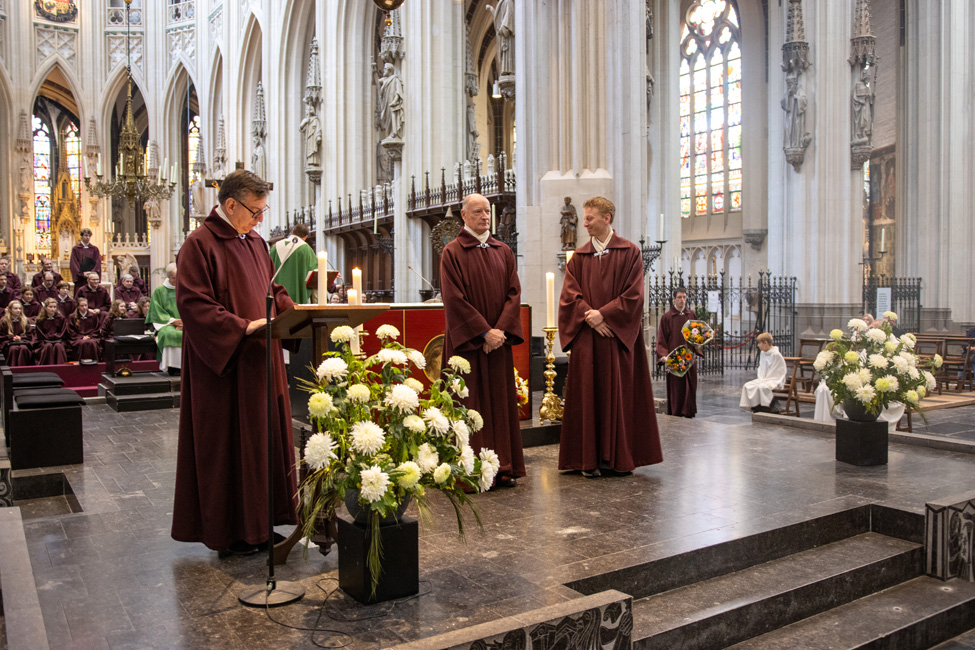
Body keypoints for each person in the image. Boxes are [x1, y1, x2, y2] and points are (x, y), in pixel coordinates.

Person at [172, 169, 298, 555]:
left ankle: (259, 526)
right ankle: (230, 533)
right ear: (230, 205)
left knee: (260, 446)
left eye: (263, 211)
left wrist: (291, 309)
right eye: (255, 211)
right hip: (224, 369)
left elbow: (271, 288)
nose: (260, 219)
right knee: (228, 449)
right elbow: (193, 303)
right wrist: (241, 328)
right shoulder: (199, 244)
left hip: (260, 362)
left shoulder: (256, 242)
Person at [558, 196, 663, 477]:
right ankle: (587, 460)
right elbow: (569, 297)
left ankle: (617, 459)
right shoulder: (579, 257)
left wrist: (603, 314)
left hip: (616, 339)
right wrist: (589, 316)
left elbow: (634, 295)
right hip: (588, 339)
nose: (585, 223)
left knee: (617, 394)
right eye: (585, 218)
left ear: (607, 218)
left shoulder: (630, 253)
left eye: (590, 218)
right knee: (588, 396)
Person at [440, 193, 525, 487]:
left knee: (499, 405)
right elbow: (454, 299)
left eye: (487, 211)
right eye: (477, 212)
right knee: (470, 404)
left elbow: (514, 293)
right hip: (469, 346)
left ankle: (503, 467)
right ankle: (470, 471)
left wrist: (499, 331)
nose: (485, 216)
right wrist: (483, 332)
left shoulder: (504, 251)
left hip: (497, 344)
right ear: (464, 216)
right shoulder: (452, 252)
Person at [656, 287, 699, 418]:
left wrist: (698, 346)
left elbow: (697, 335)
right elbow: (661, 338)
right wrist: (664, 356)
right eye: (679, 297)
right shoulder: (667, 317)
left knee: (690, 386)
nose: (682, 300)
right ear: (674, 299)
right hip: (674, 358)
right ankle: (676, 412)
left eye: (684, 297)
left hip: (689, 357)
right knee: (676, 388)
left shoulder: (691, 315)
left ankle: (688, 411)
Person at [146, 262, 182, 374]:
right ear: (168, 276)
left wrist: (184, 322)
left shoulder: (184, 289)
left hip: (184, 323)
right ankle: (172, 367)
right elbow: (156, 311)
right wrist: (173, 321)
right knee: (170, 334)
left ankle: (186, 367)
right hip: (166, 323)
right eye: (174, 278)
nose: (176, 281)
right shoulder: (160, 291)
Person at [269, 223, 318, 305]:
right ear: (306, 236)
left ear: (292, 231)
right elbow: (313, 275)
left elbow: (267, 269)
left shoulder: (275, 247)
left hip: (277, 297)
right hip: (296, 299)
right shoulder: (306, 249)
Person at [739, 332, 788, 412]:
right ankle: (756, 406)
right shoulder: (763, 353)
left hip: (774, 379)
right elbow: (761, 368)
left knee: (762, 387)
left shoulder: (776, 354)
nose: (758, 345)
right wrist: (762, 379)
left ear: (765, 343)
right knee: (747, 386)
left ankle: (773, 407)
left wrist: (766, 380)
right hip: (763, 378)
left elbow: (779, 371)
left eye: (759, 343)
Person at [33, 298, 69, 365]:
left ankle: (61, 367)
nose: (53, 309)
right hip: (44, 341)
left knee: (58, 346)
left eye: (54, 307)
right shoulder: (40, 320)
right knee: (48, 346)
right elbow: (40, 334)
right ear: (45, 308)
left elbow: (63, 332)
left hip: (59, 340)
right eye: (50, 307)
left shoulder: (61, 318)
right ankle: (47, 367)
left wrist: (55, 337)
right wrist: (49, 338)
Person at [67, 297, 105, 361]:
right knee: (82, 343)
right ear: (78, 307)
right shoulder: (72, 317)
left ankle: (95, 363)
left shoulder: (93, 315)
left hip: (91, 337)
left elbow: (96, 329)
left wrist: (89, 336)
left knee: (92, 343)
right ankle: (79, 364)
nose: (84, 307)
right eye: (82, 306)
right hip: (77, 338)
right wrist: (81, 337)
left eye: (86, 305)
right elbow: (71, 331)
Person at [0, 301, 35, 366]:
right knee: (13, 349)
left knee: (24, 348)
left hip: (23, 342)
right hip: (9, 343)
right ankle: (12, 369)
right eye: (15, 308)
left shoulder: (25, 320)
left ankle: (23, 369)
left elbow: (29, 334)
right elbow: (2, 335)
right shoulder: (4, 321)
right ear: (10, 309)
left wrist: (21, 338)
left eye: (19, 308)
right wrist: (12, 338)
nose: (18, 310)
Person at [69, 228, 101, 295]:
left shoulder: (94, 249)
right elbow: (74, 263)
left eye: (89, 236)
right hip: (81, 279)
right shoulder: (76, 249)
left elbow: (97, 263)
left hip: (92, 279)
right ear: (81, 236)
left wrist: (92, 273)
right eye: (86, 235)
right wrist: (82, 274)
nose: (88, 237)